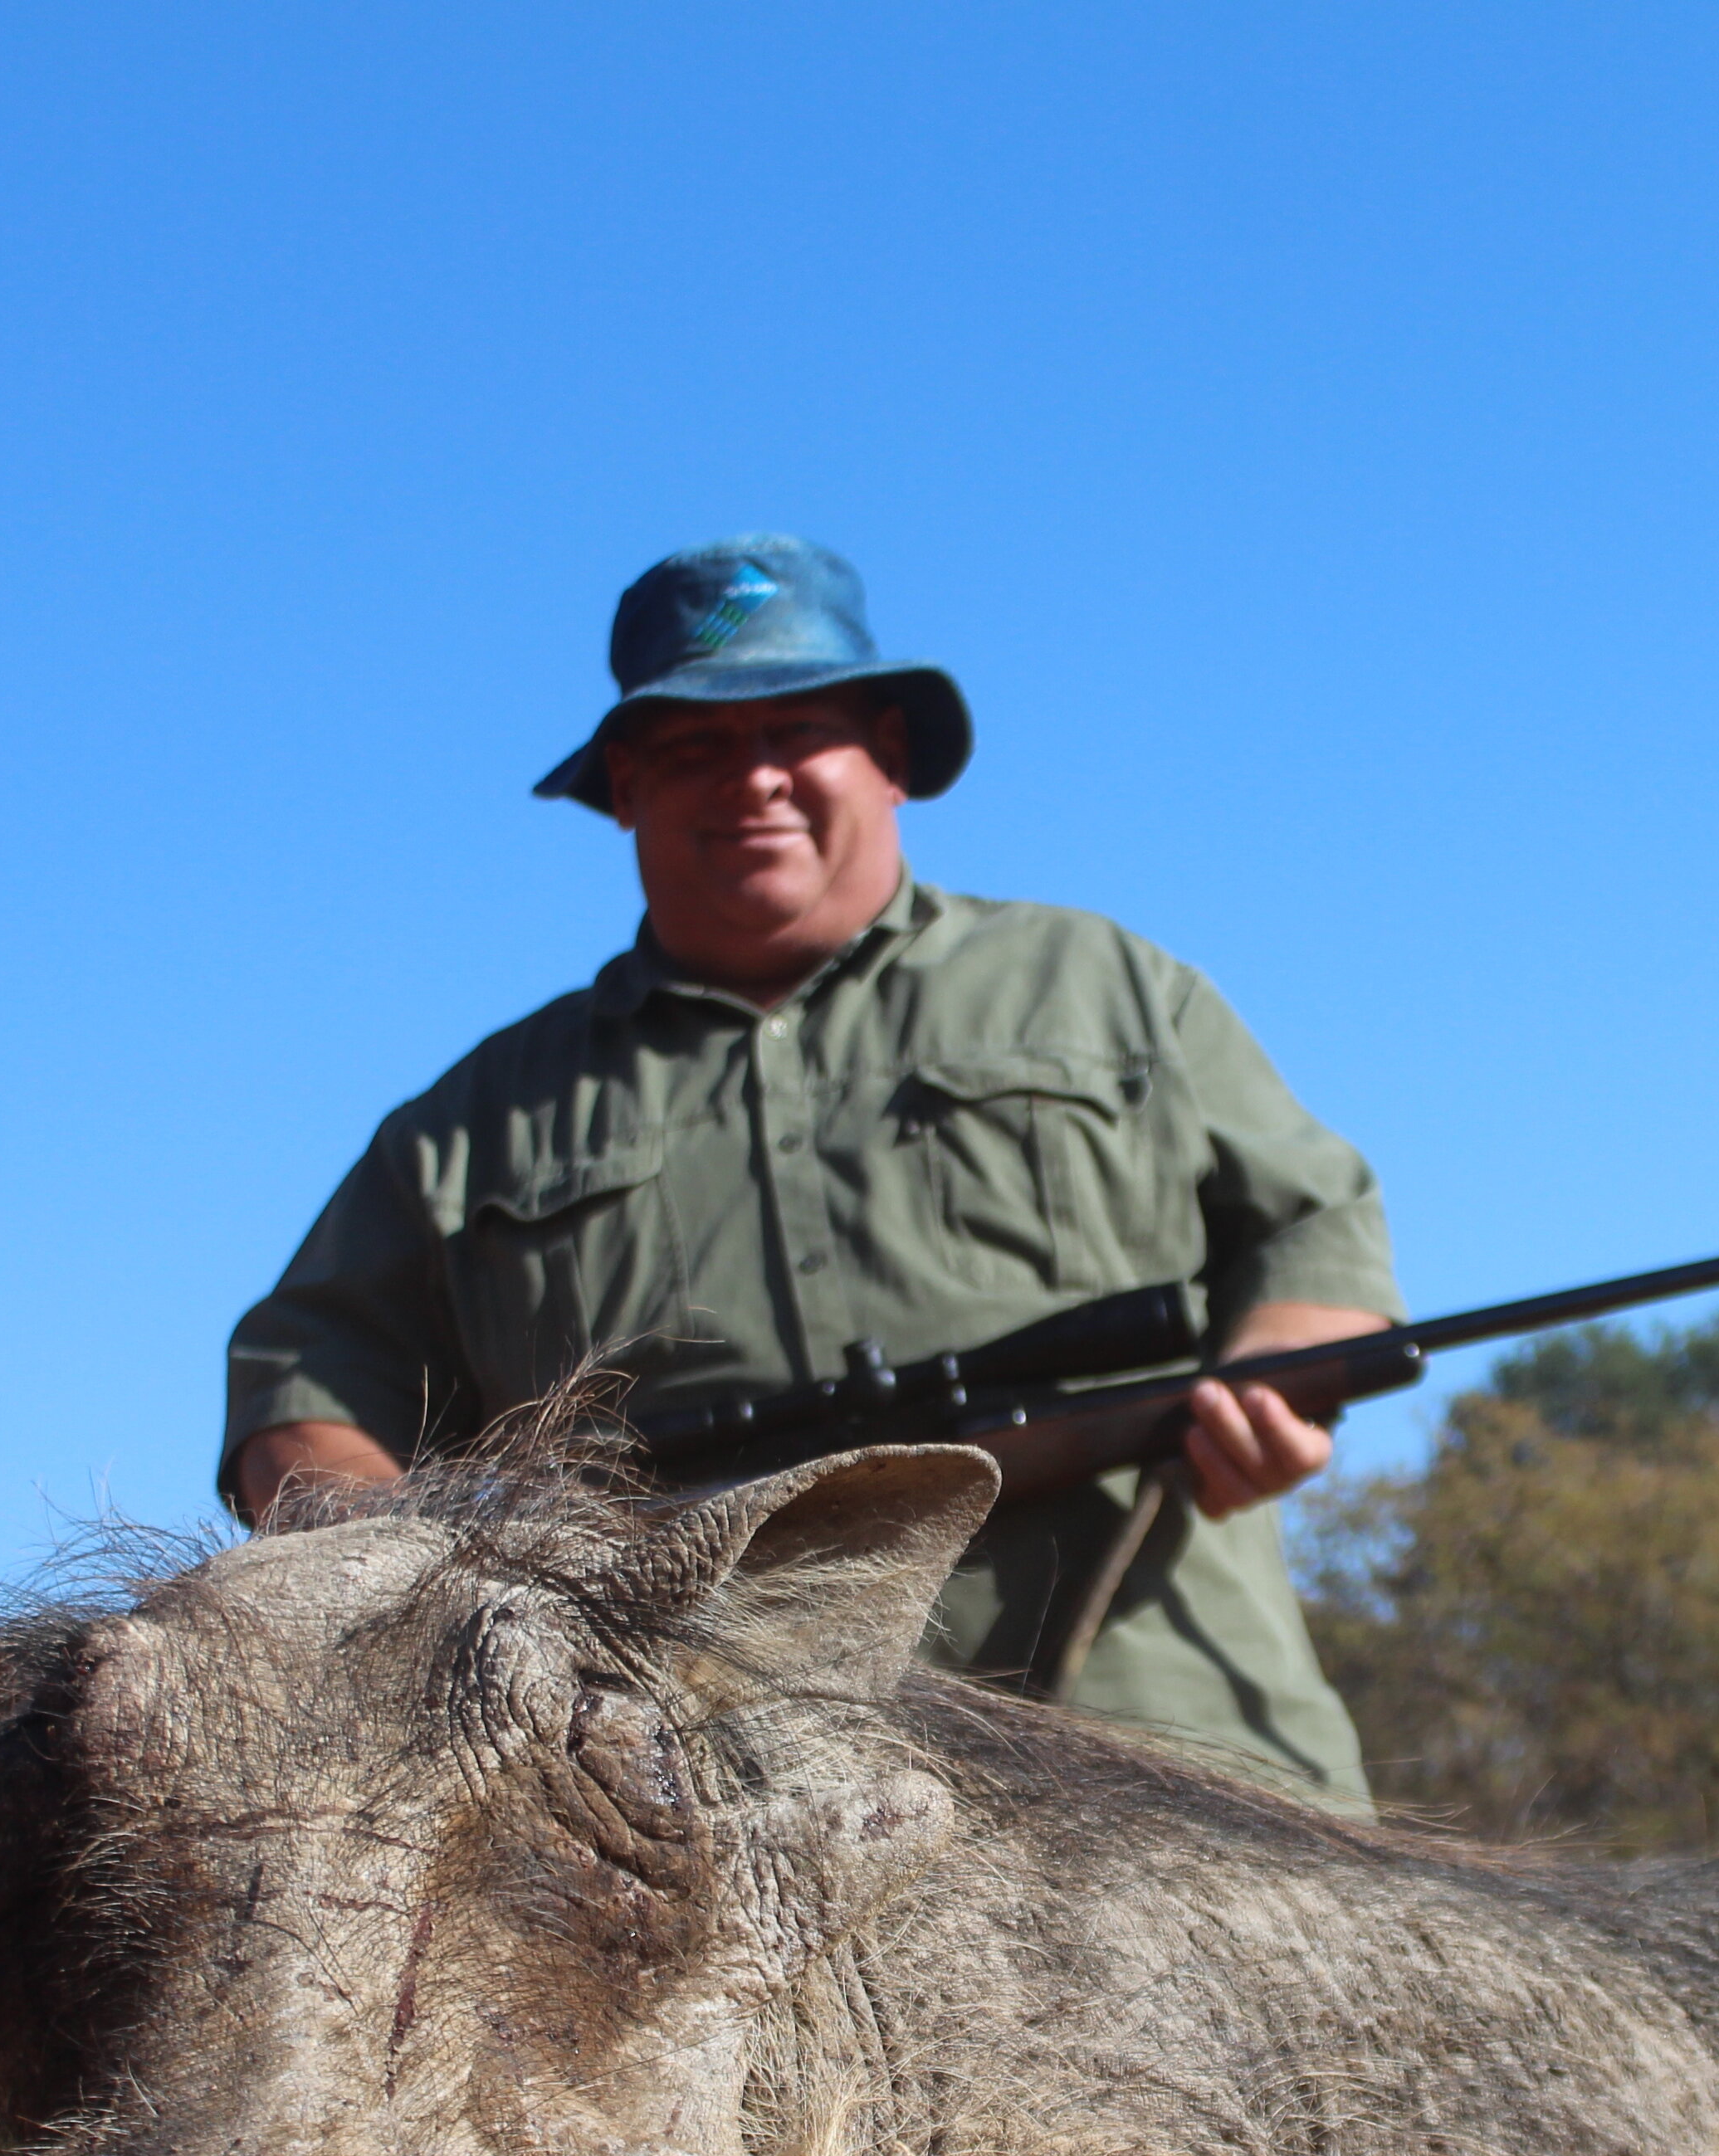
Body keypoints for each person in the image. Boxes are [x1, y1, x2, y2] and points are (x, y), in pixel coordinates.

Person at [222, 535, 1396, 1799]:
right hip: (695, 1811)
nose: (754, 780)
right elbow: (301, 1390)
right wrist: (421, 1571)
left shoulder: (1113, 988)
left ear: (889, 757)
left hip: (1174, 1767)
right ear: (624, 788)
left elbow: (1318, 1238)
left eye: (799, 734)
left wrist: (1265, 1392)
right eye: (694, 750)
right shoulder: (471, 1123)